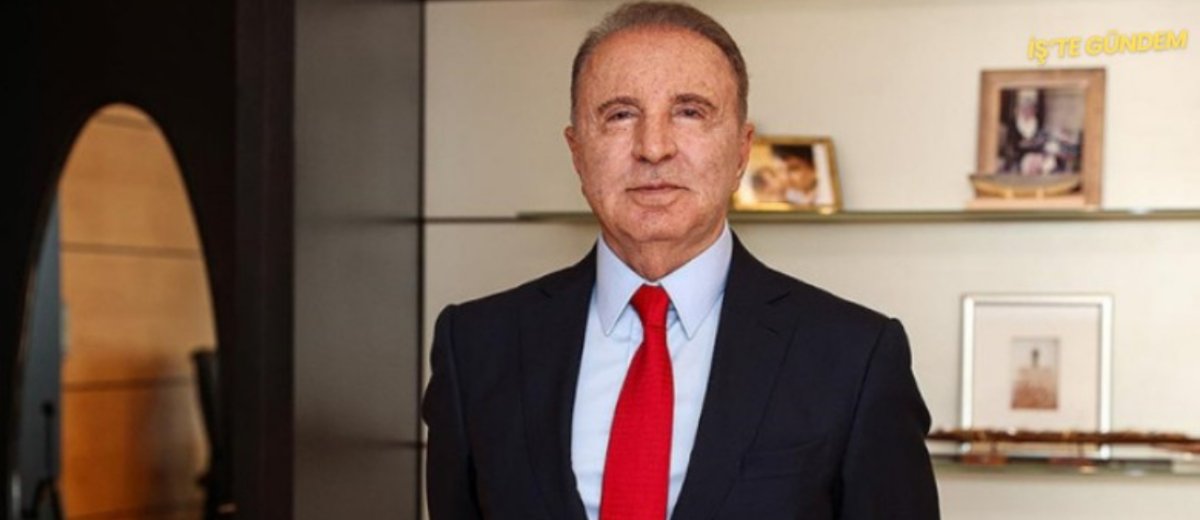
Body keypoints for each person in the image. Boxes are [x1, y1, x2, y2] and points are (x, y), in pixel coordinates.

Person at [422, 2, 940, 519]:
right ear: (577, 152)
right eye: (620, 115)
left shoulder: (855, 357)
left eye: (690, 111)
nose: (653, 147)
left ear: (741, 151)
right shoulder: (475, 349)